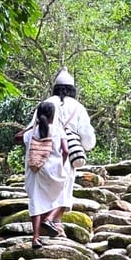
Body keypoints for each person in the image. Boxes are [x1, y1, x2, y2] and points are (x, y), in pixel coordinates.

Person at [39, 68, 96, 236]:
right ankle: (54, 221)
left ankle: (47, 221)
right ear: (72, 90)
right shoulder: (77, 107)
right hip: (66, 152)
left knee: (45, 188)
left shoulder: (46, 103)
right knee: (64, 187)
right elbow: (87, 137)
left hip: (45, 150)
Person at [23, 100, 69, 249]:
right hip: (52, 169)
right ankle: (49, 219)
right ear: (53, 115)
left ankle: (35, 238)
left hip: (34, 169)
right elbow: (66, 151)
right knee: (63, 195)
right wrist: (61, 163)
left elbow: (24, 143)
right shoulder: (57, 130)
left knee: (35, 200)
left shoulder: (30, 133)